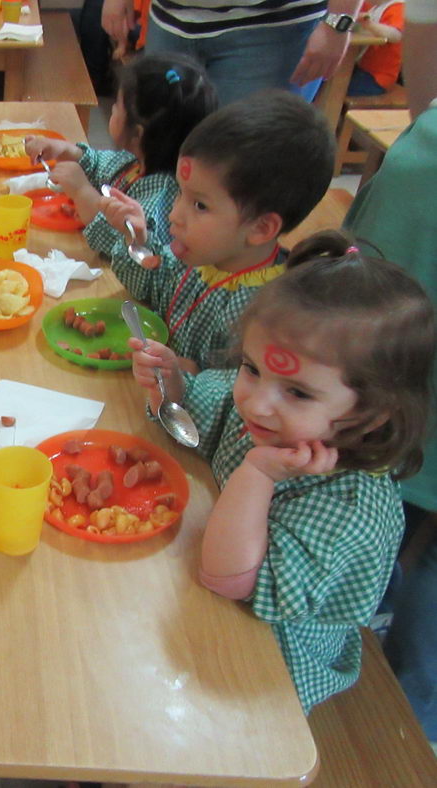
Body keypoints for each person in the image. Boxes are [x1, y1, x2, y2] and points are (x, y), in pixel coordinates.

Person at [129, 232, 436, 713]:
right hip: (195, 603)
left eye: (298, 392)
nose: (256, 399)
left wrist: (259, 475)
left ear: (374, 414)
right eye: (251, 368)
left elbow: (228, 578)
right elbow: (196, 419)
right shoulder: (271, 415)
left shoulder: (350, 511)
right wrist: (172, 386)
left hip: (269, 668)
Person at [343, 0, 437, 743]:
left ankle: (409, 711)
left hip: (421, 186)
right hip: (419, 199)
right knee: (372, 440)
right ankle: (397, 691)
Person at [100, 91, 334, 373]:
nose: (174, 215)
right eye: (180, 194)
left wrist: (193, 377)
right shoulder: (206, 258)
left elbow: (245, 395)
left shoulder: (265, 315)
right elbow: (151, 287)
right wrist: (137, 240)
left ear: (260, 228)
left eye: (199, 205)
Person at [25, 54, 216, 263]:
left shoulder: (160, 195)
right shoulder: (137, 161)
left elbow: (122, 246)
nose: (112, 109)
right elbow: (104, 165)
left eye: (116, 106)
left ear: (137, 134)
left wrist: (82, 193)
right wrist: (67, 151)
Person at [103, 0, 363, 105]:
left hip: (274, 29)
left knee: (242, 173)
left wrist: (339, 22)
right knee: (158, 156)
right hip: (171, 21)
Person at [349, 1, 405, 96]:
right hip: (362, 68)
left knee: (339, 91)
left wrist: (370, 25)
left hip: (378, 77)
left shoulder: (398, 7)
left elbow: (396, 35)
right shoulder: (375, 7)